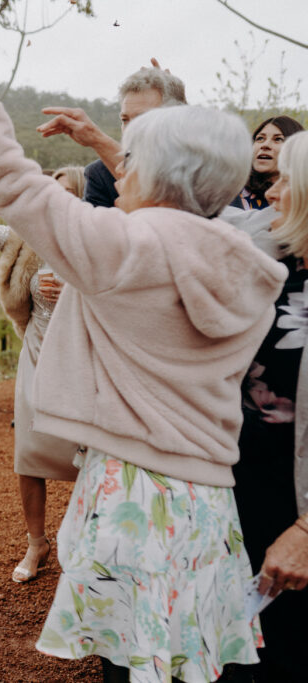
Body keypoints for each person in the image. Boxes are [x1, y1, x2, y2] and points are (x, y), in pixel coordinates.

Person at [0, 6, 286, 682]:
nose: (122, 168)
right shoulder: (240, 253)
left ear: (156, 173)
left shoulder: (126, 247)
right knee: (189, 658)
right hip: (205, 496)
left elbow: (15, 185)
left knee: (131, 663)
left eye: (132, 158)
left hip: (133, 490)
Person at [0, 168, 82, 584]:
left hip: (82, 360)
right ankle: (37, 542)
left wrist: (77, 295)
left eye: (65, 193)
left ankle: (87, 542)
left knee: (90, 456)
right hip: (36, 353)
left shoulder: (96, 241)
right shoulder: (23, 235)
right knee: (29, 454)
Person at [231, 131, 308, 681]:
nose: (272, 192)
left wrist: (307, 531)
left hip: (299, 504)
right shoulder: (275, 266)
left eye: (285, 180)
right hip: (248, 487)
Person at [38, 62, 186, 208]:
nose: (130, 130)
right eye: (125, 119)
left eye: (143, 119)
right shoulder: (99, 175)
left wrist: (97, 139)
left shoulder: (200, 168)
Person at [231, 115, 304, 211]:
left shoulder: (302, 199)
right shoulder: (230, 192)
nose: (265, 145)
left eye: (278, 139)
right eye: (260, 138)